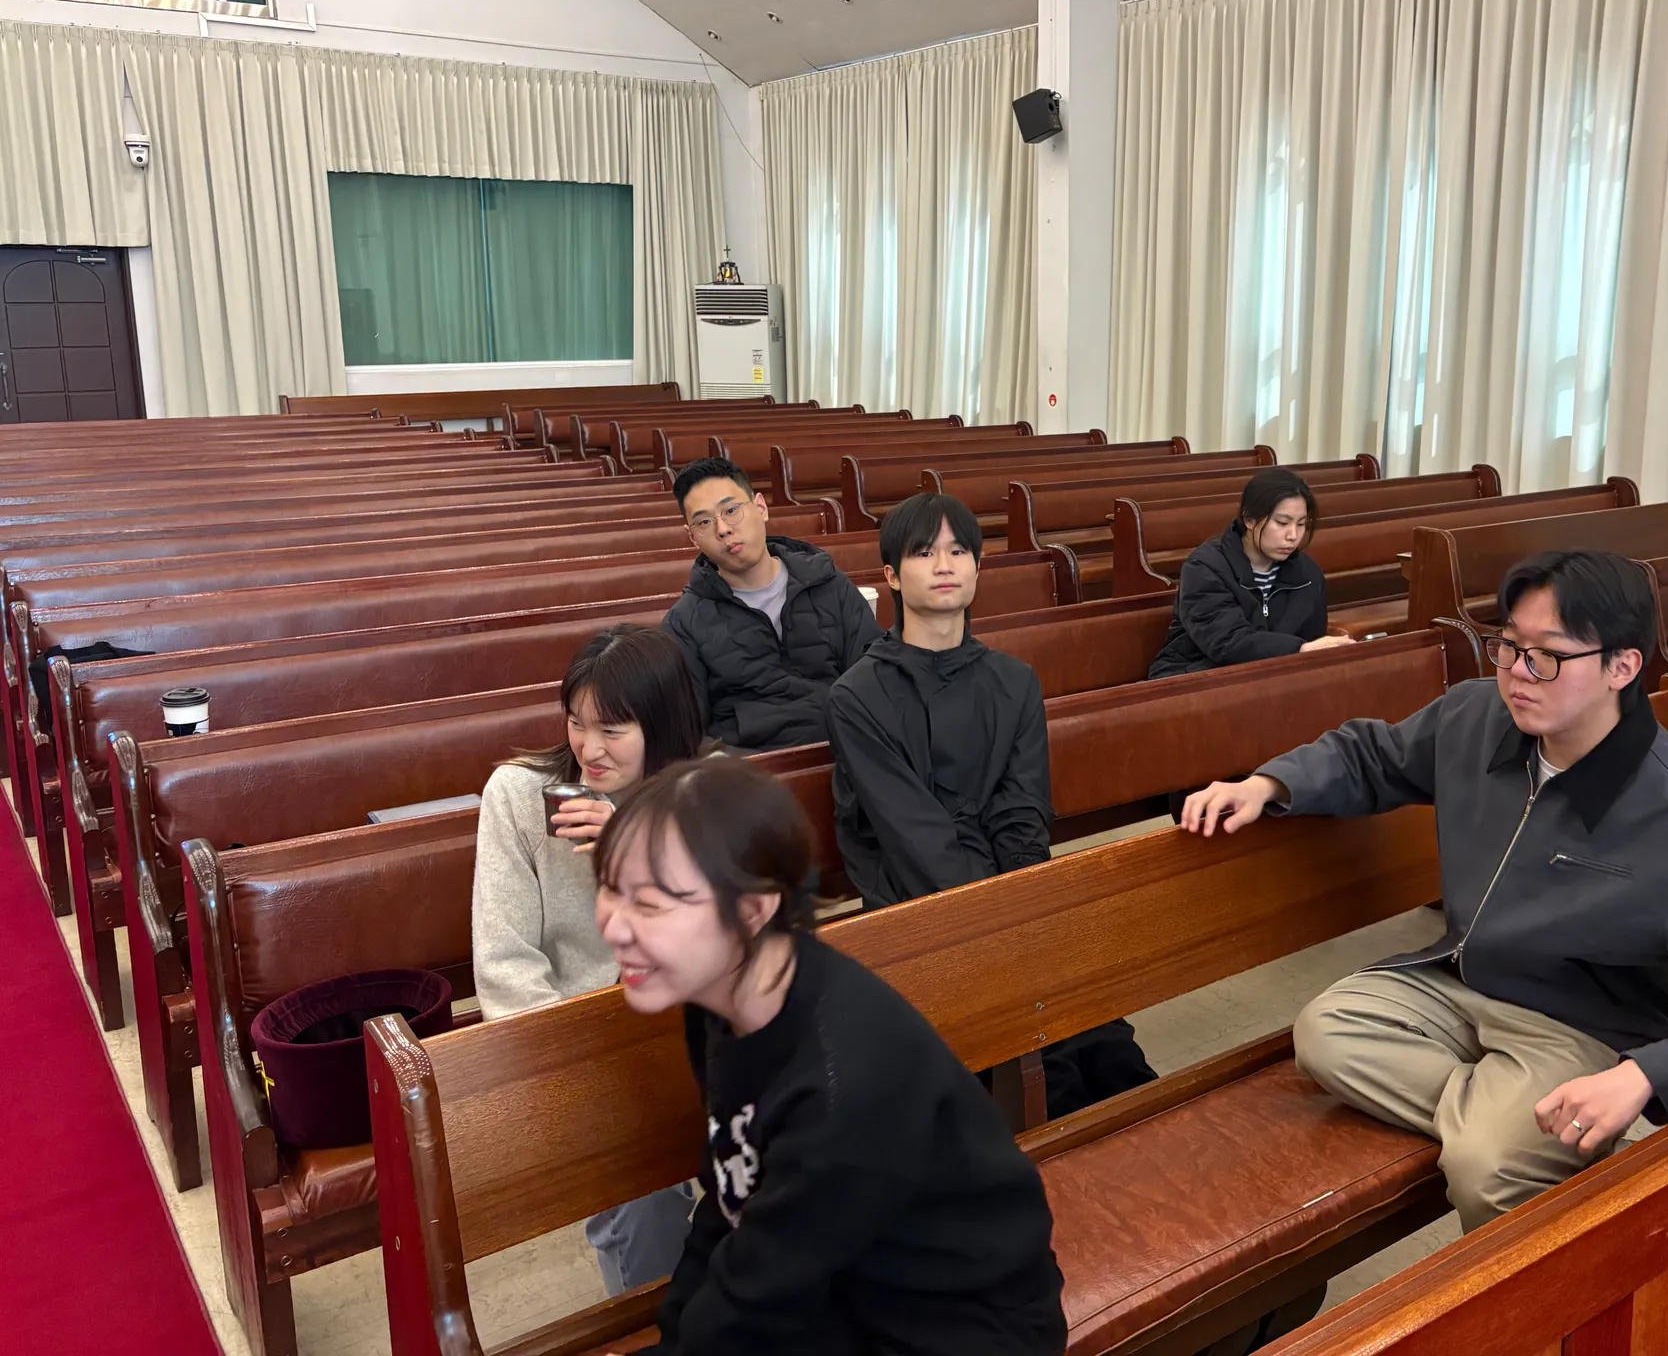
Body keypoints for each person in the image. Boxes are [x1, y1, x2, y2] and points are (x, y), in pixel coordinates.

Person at [1180, 549, 1668, 1232]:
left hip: (1583, 1027)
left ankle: (1518, 1173)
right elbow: (1373, 754)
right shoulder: (1477, 718)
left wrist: (1644, 1075)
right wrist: (1269, 784)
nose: (1518, 674)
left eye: (1549, 656)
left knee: (1490, 1171)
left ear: (1622, 667)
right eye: (1508, 646)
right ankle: (1511, 1128)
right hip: (1460, 979)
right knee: (1326, 1032)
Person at [593, 759, 1067, 1356]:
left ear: (753, 910)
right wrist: (674, 1332)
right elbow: (732, 1193)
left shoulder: (839, 1083)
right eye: (609, 887)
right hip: (845, 1281)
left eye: (651, 903)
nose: (614, 926)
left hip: (955, 1326)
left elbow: (760, 1295)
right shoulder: (718, 999)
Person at [826, 491, 1156, 1117]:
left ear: (978, 568)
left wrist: (1028, 909)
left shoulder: (1013, 680)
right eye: (924, 552)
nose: (944, 565)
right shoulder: (857, 697)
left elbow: (1023, 813)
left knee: (1108, 1044)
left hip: (1013, 898)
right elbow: (915, 839)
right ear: (892, 575)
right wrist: (1007, 926)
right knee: (1042, 1063)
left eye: (958, 551)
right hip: (917, 909)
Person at [471, 623, 709, 1296]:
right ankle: (657, 1320)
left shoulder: (702, 793)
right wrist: (573, 1063)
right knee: (640, 1179)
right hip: (580, 1041)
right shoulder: (518, 796)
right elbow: (505, 962)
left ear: (662, 726)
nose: (589, 748)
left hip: (692, 1024)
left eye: (612, 730)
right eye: (577, 723)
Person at [663, 456, 881, 752]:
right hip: (749, 768)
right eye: (704, 522)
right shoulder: (683, 624)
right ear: (692, 537)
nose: (723, 529)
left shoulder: (828, 584)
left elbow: (875, 681)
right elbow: (685, 733)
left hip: (848, 752)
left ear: (761, 507)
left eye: (731, 510)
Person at [1147, 467, 1354, 680]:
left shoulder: (1307, 573)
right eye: (1282, 523)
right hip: (1193, 676)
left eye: (1301, 524)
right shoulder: (1205, 567)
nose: (1293, 535)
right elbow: (1225, 641)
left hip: (1270, 677)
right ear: (1249, 520)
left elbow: (1313, 638)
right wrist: (1298, 649)